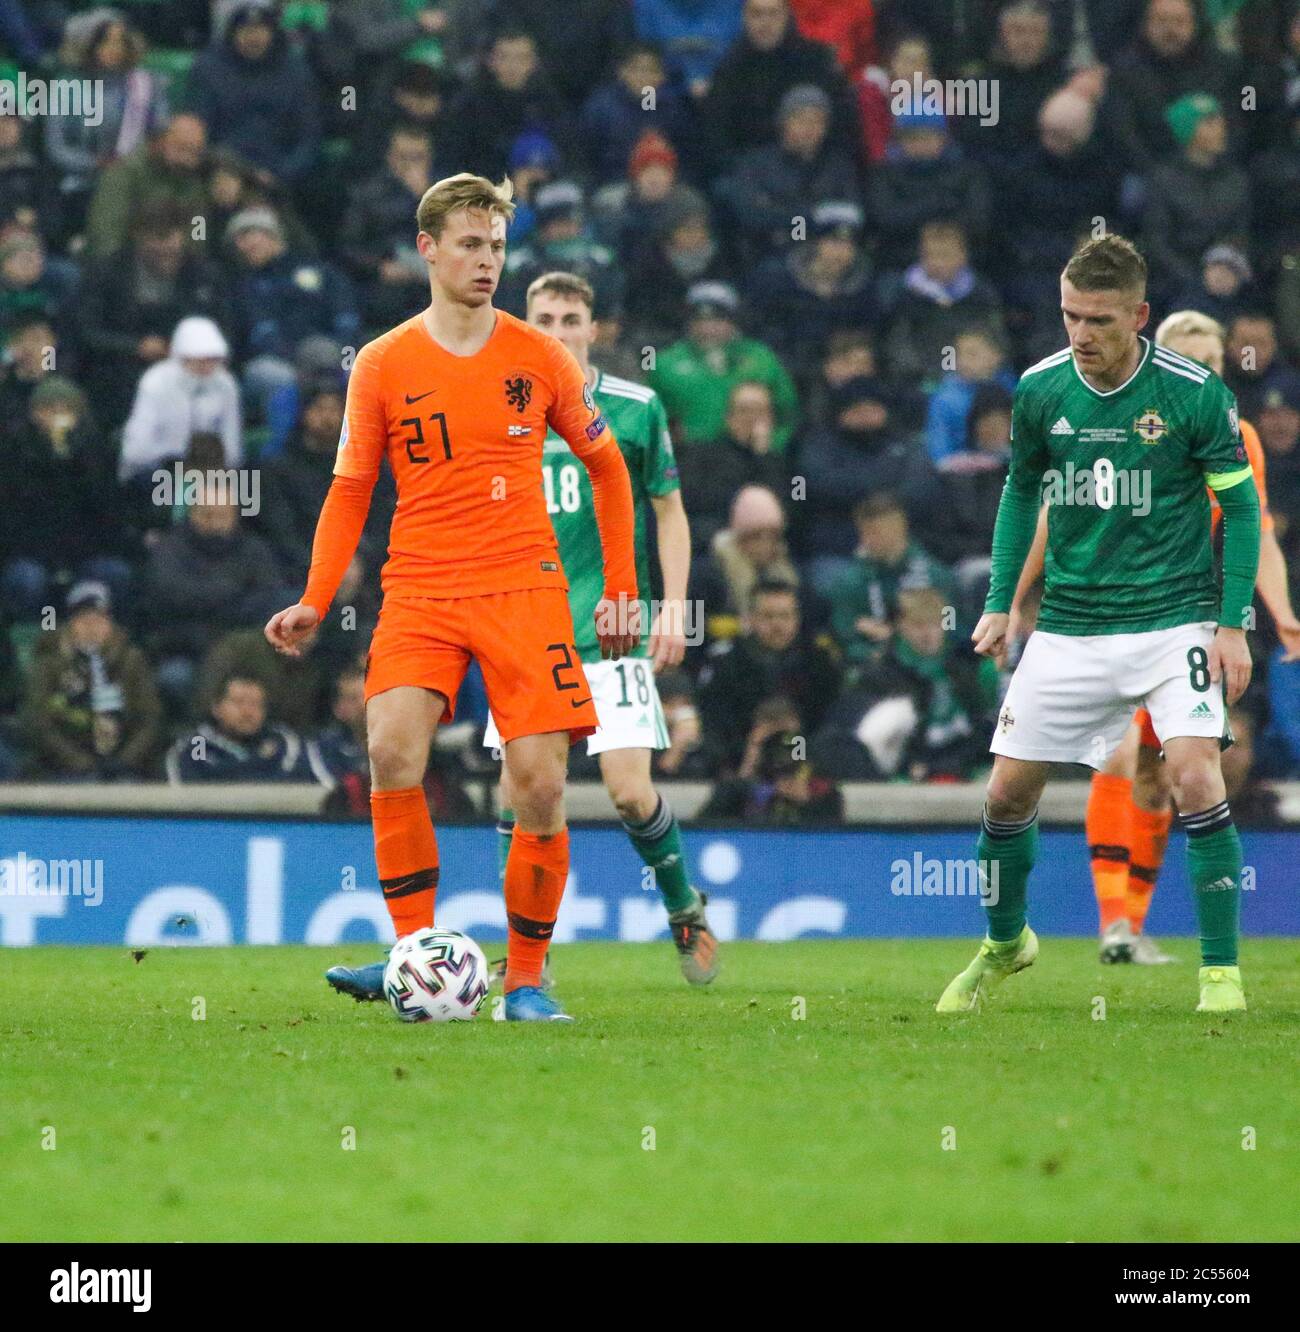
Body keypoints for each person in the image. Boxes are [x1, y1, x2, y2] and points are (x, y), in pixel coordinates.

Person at [264, 173, 639, 1023]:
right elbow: (351, 489)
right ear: (427, 249)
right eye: (472, 244)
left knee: (538, 786)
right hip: (423, 587)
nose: (488, 261)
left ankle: (528, 982)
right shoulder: (385, 363)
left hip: (523, 587)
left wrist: (619, 587)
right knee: (392, 751)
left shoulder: (538, 356)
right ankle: (411, 957)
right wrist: (316, 599)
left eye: (499, 245)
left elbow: (609, 469)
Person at [938, 234, 1261, 1017]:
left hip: (1172, 619)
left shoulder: (1193, 392)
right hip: (1072, 625)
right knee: (1006, 796)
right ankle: (1006, 942)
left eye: (1100, 320)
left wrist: (1232, 623)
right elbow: (1021, 495)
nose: (1081, 335)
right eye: (1070, 316)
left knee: (1192, 774)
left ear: (1139, 316)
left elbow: (1245, 508)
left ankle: (1220, 975)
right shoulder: (1043, 389)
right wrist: (1001, 602)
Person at [1010, 308, 1300, 964]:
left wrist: (1280, 610)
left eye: (1217, 365)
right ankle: (1113, 924)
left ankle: (1129, 929)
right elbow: (1056, 515)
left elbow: (1261, 531)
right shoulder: (1120, 422)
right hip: (1097, 612)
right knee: (1114, 758)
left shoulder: (1237, 437)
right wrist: (1016, 597)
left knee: (1164, 775)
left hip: (1178, 622)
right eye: (1194, 364)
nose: (1207, 375)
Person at [479, 271, 718, 985]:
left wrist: (672, 606)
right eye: (543, 318)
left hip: (612, 631)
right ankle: (532, 957)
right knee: (518, 796)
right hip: (526, 631)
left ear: (594, 329)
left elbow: (668, 510)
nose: (557, 330)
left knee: (627, 792)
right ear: (524, 325)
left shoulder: (635, 409)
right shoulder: (500, 408)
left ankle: (682, 907)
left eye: (571, 318)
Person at [20, 580, 161, 780]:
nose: (91, 628)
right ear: (70, 624)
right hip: (63, 769)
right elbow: (38, 722)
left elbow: (150, 720)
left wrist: (125, 761)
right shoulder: (48, 662)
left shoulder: (132, 660)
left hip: (125, 767)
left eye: (99, 620)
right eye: (83, 621)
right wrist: (79, 763)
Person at [165, 672, 326, 783]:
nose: (248, 712)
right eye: (238, 702)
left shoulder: (286, 742)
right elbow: (184, 801)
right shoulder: (194, 748)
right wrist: (258, 765)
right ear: (216, 708)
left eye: (256, 704)